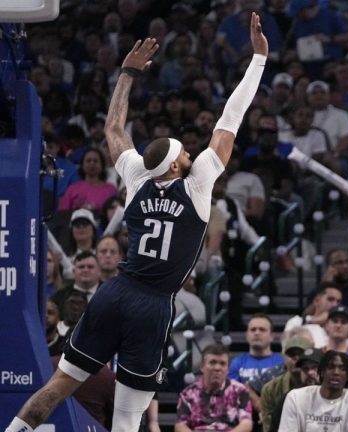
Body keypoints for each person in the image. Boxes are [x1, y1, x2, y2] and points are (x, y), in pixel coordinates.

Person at [5, 17, 268, 432]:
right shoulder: (197, 185)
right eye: (186, 152)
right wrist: (258, 60)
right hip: (152, 303)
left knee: (57, 386)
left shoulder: (136, 177)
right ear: (181, 164)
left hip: (115, 291)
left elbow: (113, 126)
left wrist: (126, 74)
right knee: (127, 416)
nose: (190, 152)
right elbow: (229, 121)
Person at [277, 351, 348, 431]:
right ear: (321, 371)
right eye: (330, 367)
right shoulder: (295, 398)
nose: (336, 372)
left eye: (343, 369)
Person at [176, 343, 253, 431]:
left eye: (222, 364)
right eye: (212, 362)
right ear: (202, 366)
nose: (217, 368)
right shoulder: (188, 393)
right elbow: (180, 426)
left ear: (227, 369)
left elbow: (246, 424)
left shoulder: (240, 391)